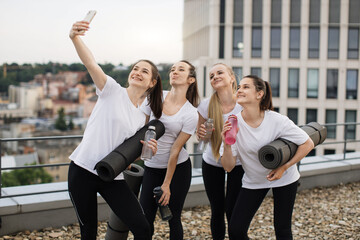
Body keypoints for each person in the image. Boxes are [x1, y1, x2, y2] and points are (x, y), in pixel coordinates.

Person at [67, 19, 163, 240]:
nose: (137, 72)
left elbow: (128, 159)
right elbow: (90, 63)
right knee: (88, 232)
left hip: (111, 175)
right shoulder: (111, 90)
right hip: (82, 170)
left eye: (144, 71)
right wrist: (74, 37)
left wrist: (147, 151)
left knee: (142, 227)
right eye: (135, 68)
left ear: (152, 82)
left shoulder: (142, 118)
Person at [220, 75, 314, 240]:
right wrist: (226, 143)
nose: (240, 90)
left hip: (285, 177)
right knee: (236, 230)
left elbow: (307, 144)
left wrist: (283, 167)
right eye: (239, 87)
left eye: (246, 87)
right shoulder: (233, 122)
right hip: (254, 180)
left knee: (282, 229)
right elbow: (228, 166)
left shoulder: (277, 120)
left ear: (259, 94)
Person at [139, 60, 200, 240]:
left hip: (178, 170)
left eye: (181, 69)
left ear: (191, 80)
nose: (175, 71)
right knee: (145, 219)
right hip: (151, 167)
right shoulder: (154, 97)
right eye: (173, 69)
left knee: (173, 218)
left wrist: (166, 184)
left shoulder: (190, 113)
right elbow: (140, 131)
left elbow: (175, 150)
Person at [196, 63, 244, 240]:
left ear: (232, 77)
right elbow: (200, 137)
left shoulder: (243, 102)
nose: (215, 76)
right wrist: (201, 134)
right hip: (212, 162)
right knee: (217, 209)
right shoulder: (205, 105)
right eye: (211, 75)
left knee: (233, 209)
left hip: (238, 163)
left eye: (219, 73)